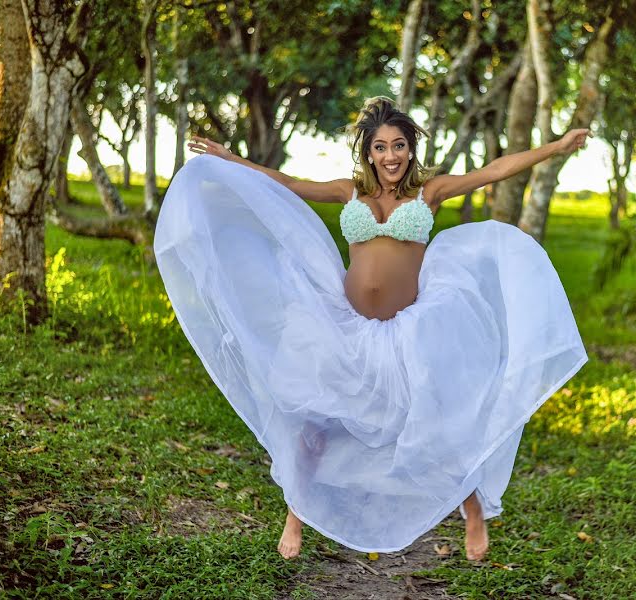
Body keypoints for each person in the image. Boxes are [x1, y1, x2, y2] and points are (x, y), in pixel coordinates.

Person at [154, 96, 589, 562]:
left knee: (438, 421)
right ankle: (296, 513)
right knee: (315, 422)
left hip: (411, 328)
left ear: (410, 150)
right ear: (369, 153)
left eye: (399, 146)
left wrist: (557, 146)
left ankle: (473, 507)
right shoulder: (349, 192)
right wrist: (230, 159)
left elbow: (495, 170)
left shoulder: (430, 192)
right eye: (381, 147)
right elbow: (284, 183)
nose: (391, 156)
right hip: (347, 326)